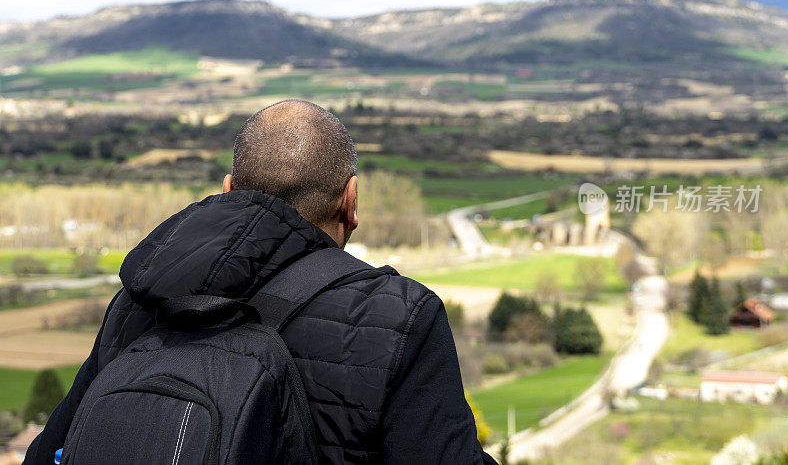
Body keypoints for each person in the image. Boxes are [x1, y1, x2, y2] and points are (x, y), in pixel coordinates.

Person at [24, 99, 497, 464]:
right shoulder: (400, 317)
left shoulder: (140, 300)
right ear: (351, 201)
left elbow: (49, 453)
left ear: (229, 190)